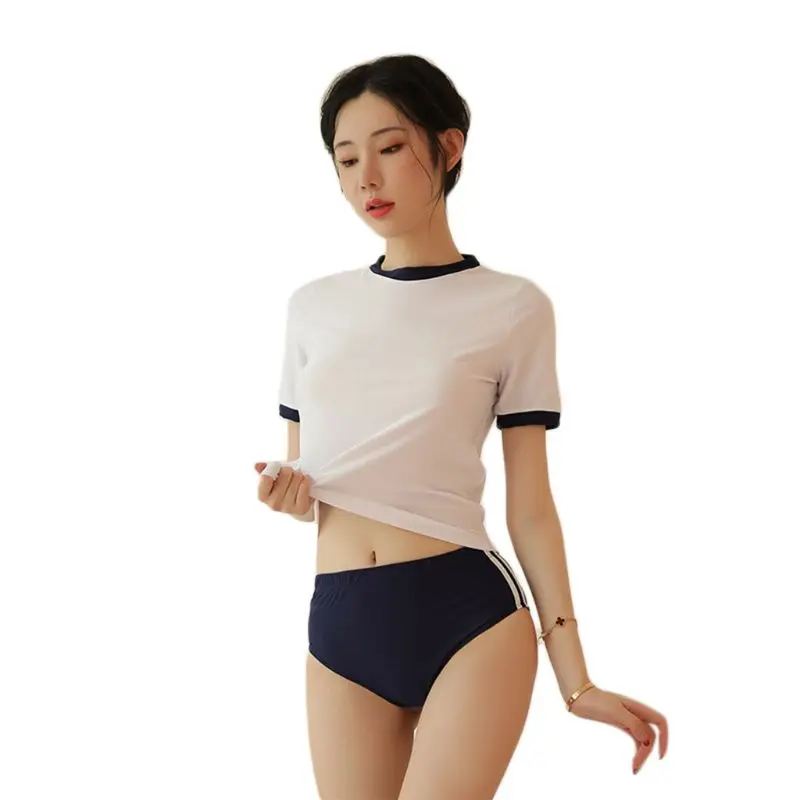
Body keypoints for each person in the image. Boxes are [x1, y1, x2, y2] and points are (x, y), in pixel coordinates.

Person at [255, 54, 668, 800]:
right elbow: (305, 479)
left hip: (467, 618)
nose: (367, 179)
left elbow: (531, 507)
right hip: (341, 626)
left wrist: (577, 681)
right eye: (346, 160)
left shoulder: (513, 307)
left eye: (389, 148)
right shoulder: (312, 308)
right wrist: (288, 494)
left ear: (449, 148)